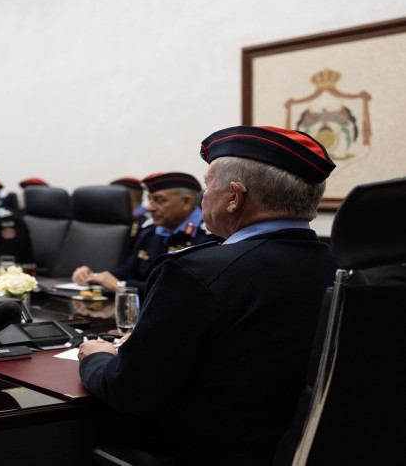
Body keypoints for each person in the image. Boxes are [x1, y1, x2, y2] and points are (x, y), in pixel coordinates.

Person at [78, 125, 362, 465]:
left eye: (208, 186)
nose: (203, 198)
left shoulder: (196, 272)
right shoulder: (349, 272)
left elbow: (130, 391)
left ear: (234, 197)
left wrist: (97, 357)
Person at [72, 172, 219, 296]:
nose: (149, 208)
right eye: (149, 200)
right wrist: (95, 276)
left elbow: (180, 289)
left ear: (186, 202)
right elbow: (130, 269)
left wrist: (123, 287)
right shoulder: (150, 230)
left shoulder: (210, 236)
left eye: (159, 201)